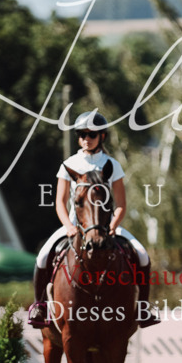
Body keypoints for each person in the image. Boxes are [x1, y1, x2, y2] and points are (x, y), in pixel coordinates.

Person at [29, 111, 157, 327]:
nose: (86, 139)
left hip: (106, 227)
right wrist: (69, 227)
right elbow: (60, 202)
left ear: (102, 137)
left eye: (91, 134)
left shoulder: (112, 165)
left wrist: (114, 226)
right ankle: (40, 306)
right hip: (74, 226)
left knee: (142, 255)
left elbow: (121, 204)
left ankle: (142, 308)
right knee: (42, 257)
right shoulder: (69, 164)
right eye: (81, 134)